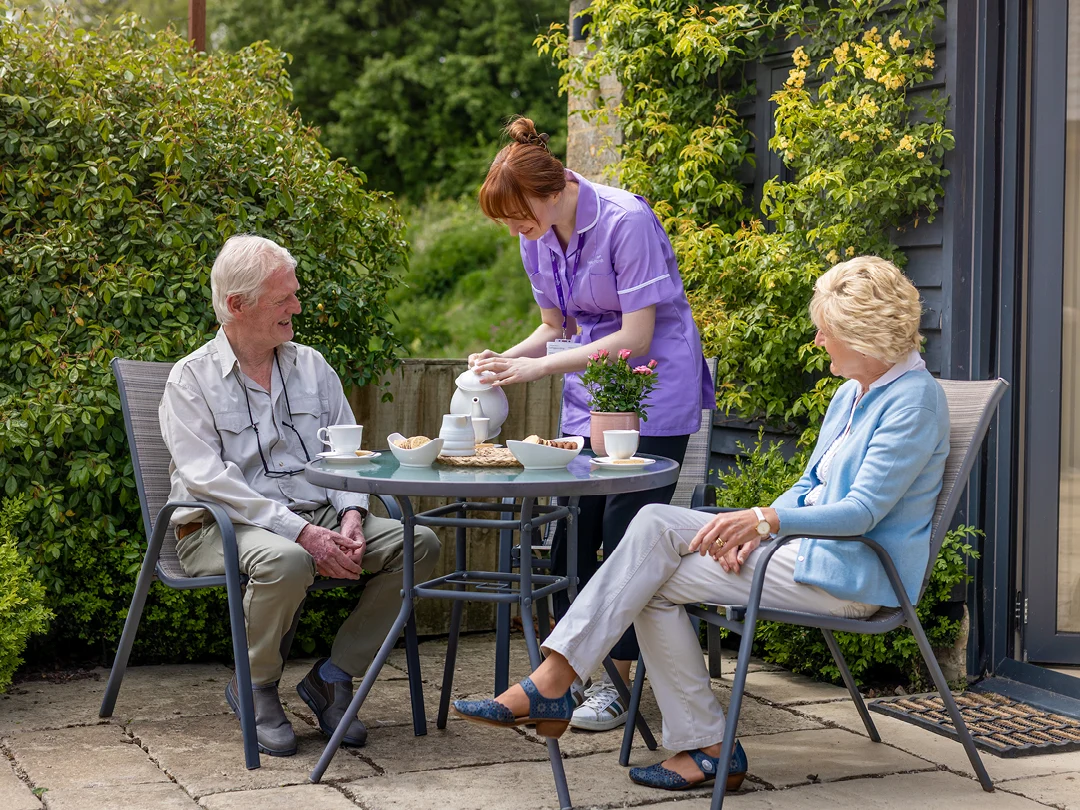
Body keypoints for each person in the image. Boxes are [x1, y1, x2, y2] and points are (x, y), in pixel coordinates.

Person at [453, 256, 948, 793]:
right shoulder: (855, 392)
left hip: (849, 575)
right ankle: (700, 746)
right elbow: (808, 487)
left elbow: (862, 513)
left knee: (650, 546)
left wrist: (762, 521)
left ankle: (564, 684)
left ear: (867, 336)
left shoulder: (913, 403)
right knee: (650, 564)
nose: (818, 340)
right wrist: (756, 532)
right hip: (804, 553)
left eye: (827, 331)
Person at [468, 116, 715, 731]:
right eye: (509, 223)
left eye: (519, 217)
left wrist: (539, 370)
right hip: (588, 391)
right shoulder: (537, 233)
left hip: (654, 385)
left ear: (551, 192)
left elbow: (634, 336)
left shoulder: (625, 221)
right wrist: (507, 359)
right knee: (571, 530)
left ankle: (615, 685)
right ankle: (576, 676)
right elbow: (555, 328)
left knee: (622, 529)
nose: (516, 231)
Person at [159, 234, 441, 756]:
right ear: (237, 305)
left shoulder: (312, 366)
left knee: (418, 542)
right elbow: (206, 480)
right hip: (219, 528)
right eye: (283, 297)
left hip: (317, 516)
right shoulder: (190, 380)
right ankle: (256, 686)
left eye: (295, 293)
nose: (298, 306)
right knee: (289, 560)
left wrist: (352, 514)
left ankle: (332, 678)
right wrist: (304, 533)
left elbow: (347, 455)